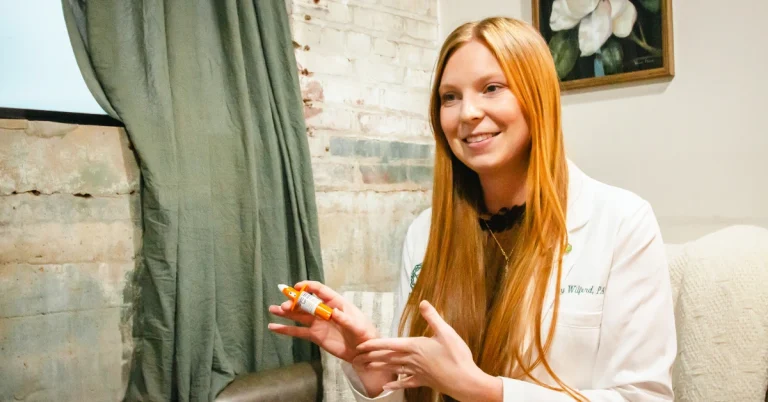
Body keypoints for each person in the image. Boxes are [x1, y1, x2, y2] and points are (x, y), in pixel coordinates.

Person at [268, 16, 676, 402]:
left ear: (537, 96)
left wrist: (487, 392)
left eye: (492, 88)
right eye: (450, 97)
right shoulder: (425, 233)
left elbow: (642, 396)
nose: (468, 113)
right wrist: (372, 366)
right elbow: (417, 391)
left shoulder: (622, 222)